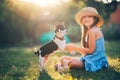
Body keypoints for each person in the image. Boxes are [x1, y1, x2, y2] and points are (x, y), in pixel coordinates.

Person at [55, 7, 108, 72]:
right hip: (89, 58)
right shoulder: (89, 30)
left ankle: (63, 66)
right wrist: (69, 47)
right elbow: (86, 53)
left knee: (72, 63)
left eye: (89, 16)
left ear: (95, 19)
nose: (86, 18)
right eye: (84, 17)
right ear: (82, 20)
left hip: (96, 60)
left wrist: (74, 47)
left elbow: (91, 51)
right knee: (63, 58)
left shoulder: (93, 31)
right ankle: (64, 65)